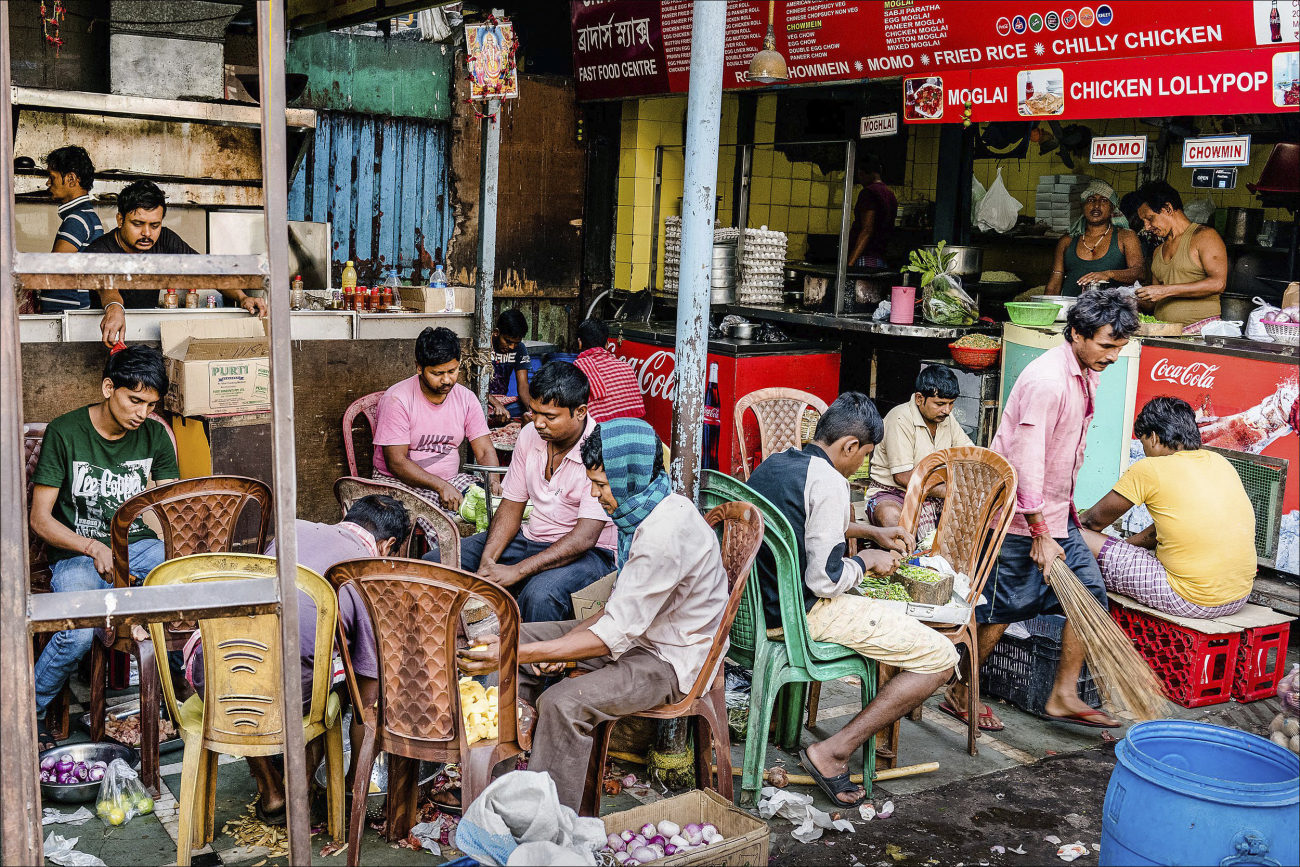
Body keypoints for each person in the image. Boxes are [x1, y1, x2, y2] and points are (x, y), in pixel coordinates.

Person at [458, 418, 729, 811]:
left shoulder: (663, 532)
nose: (596, 494)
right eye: (593, 482)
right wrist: (544, 650)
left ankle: (548, 824)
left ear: (629, 476)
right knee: (517, 636)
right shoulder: (641, 512)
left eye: (602, 485)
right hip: (637, 634)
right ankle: (493, 790)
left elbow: (610, 632)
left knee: (561, 703)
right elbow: (614, 612)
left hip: (670, 658)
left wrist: (520, 653)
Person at [744, 393, 957, 807]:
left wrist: (870, 532)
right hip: (800, 614)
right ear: (849, 447)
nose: (860, 466)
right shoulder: (830, 483)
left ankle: (826, 744)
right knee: (942, 658)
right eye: (863, 457)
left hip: (755, 608)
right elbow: (825, 580)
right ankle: (833, 751)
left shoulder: (778, 462)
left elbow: (802, 526)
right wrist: (866, 559)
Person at [950, 289, 1139, 733]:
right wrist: (1039, 532)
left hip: (1057, 517)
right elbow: (1025, 460)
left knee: (1089, 594)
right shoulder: (1047, 382)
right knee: (999, 612)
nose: (1113, 356)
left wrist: (1056, 522)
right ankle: (959, 692)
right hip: (1017, 521)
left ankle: (1062, 694)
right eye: (1107, 344)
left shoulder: (1085, 370)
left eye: (1119, 347)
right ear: (1076, 334)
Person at [187, 495, 412, 823]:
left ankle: (270, 790)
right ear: (387, 545)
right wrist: (355, 785)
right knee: (337, 680)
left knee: (247, 661)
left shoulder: (292, 530)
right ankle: (301, 792)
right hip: (284, 699)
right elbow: (368, 700)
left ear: (346, 516)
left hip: (212, 681)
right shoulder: (368, 571)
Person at [27, 346, 179, 750]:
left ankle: (179, 706)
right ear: (108, 387)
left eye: (150, 405)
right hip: (77, 553)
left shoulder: (155, 435)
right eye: (134, 400)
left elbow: (167, 512)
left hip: (141, 548)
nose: (142, 414)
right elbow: (40, 520)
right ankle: (29, 712)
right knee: (77, 634)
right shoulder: (66, 431)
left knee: (190, 598)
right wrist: (92, 546)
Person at [448, 362, 617, 622]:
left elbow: (584, 538)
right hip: (532, 537)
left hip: (592, 552)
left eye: (549, 417)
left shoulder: (598, 449)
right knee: (440, 560)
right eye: (534, 412)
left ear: (580, 411)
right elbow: (511, 506)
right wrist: (488, 562)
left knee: (540, 595)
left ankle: (532, 661)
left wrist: (516, 571)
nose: (538, 423)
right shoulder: (529, 435)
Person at [1079, 397, 1255, 618]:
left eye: (1143, 444)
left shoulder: (1150, 468)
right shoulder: (1220, 461)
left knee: (1072, 533)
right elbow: (1164, 529)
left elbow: (1090, 522)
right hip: (1237, 597)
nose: (1145, 452)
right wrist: (1125, 548)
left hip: (1190, 599)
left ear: (1153, 437)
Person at [83, 180, 268, 347]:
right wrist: (114, 308)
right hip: (107, 338)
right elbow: (107, 288)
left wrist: (242, 297)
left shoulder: (165, 240)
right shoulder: (99, 250)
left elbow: (206, 271)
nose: (147, 233)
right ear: (120, 220)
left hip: (145, 336)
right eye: (138, 224)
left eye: (154, 225)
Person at [372, 326, 500, 512]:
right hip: (397, 483)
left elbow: (484, 450)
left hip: (452, 480)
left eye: (452, 371)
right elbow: (396, 463)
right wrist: (440, 486)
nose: (447, 380)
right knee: (446, 517)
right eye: (437, 374)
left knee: (493, 507)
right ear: (419, 367)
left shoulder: (466, 398)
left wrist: (493, 480)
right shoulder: (397, 399)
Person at [865, 365, 973, 542]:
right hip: (893, 493)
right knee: (893, 521)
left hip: (935, 494)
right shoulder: (899, 418)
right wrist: (949, 491)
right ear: (919, 398)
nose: (946, 410)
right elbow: (903, 476)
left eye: (951, 404)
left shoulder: (947, 419)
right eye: (939, 404)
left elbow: (969, 454)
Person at [1133, 181, 1228, 328]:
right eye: (1143, 221)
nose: (1146, 227)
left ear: (1168, 208)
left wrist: (1166, 291)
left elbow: (1218, 284)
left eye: (1150, 219)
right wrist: (1131, 298)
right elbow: (1154, 302)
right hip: (1163, 332)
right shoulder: (1158, 251)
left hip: (1199, 332)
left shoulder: (1205, 236)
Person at [1044, 180, 1144, 296]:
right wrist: (1046, 309)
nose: (1096, 205)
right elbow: (1054, 284)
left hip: (1111, 310)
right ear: (1083, 207)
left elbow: (1139, 273)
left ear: (1112, 208)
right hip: (1072, 309)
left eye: (1103, 200)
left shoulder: (1126, 236)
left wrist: (1108, 274)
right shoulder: (1067, 240)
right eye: (1090, 200)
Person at [41, 145, 104, 312]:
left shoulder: (77, 219)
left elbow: (55, 267)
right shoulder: (87, 215)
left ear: (71, 179)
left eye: (52, 177)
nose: (48, 183)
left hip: (66, 313)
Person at [572, 318, 645, 423]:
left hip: (599, 433)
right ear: (607, 344)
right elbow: (639, 412)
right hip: (634, 428)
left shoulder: (578, 369)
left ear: (579, 343)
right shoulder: (626, 367)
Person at [846, 151, 897, 271]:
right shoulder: (890, 194)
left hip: (867, 258)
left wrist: (850, 264)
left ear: (863, 173)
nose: (860, 179)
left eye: (860, 175)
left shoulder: (868, 193)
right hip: (881, 259)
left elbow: (867, 230)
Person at [486, 308, 533, 423]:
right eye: (508, 341)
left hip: (503, 403)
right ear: (496, 332)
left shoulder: (520, 349)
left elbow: (523, 386)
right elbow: (473, 388)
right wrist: (496, 404)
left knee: (524, 407)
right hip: (483, 400)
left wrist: (531, 411)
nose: (512, 347)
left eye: (516, 343)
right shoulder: (484, 345)